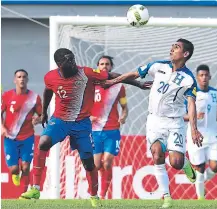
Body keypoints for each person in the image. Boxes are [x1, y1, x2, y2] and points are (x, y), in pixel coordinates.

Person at [21, 48, 152, 207]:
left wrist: (138, 84)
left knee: (89, 163)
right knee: (43, 142)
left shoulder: (87, 73)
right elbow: (48, 90)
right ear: (60, 64)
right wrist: (45, 113)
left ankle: (94, 195)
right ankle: (35, 188)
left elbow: (113, 76)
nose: (73, 63)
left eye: (73, 59)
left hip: (82, 124)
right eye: (69, 61)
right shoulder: (51, 76)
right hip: (60, 120)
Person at [102, 39, 203, 208]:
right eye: (172, 46)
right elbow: (134, 74)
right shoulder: (158, 66)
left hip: (174, 122)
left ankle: (185, 164)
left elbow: (191, 104)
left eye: (176, 47)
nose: (172, 49)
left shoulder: (188, 79)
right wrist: (113, 81)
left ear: (185, 54)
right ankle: (166, 196)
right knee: (157, 154)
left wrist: (194, 129)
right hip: (154, 120)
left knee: (176, 162)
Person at [185, 64, 217, 200]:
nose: (204, 78)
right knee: (200, 168)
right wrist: (194, 116)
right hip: (197, 136)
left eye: (206, 75)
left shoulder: (215, 92)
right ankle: (201, 199)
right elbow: (183, 115)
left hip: (213, 135)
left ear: (210, 76)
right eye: (201, 75)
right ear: (197, 77)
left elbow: (216, 111)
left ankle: (199, 181)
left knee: (215, 166)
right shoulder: (191, 94)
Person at [91, 56, 128, 199]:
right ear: (97, 66)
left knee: (107, 162)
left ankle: (102, 194)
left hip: (112, 130)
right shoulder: (91, 85)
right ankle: (94, 189)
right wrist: (88, 117)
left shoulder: (119, 86)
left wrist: (123, 115)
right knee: (95, 165)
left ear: (111, 67)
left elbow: (124, 107)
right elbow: (83, 106)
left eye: (107, 64)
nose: (104, 66)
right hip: (94, 130)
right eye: (101, 64)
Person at [1, 69, 42, 196]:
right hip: (10, 137)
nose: (22, 79)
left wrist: (38, 119)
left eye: (24, 77)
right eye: (19, 77)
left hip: (28, 137)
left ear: (27, 79)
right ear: (15, 80)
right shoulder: (6, 96)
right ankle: (14, 173)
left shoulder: (34, 97)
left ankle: (24, 194)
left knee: (25, 166)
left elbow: (42, 115)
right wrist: (2, 127)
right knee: (14, 169)